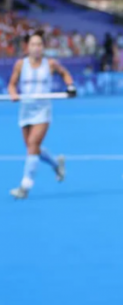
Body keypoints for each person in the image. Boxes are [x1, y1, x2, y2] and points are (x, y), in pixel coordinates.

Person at [8, 30, 76, 199]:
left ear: (43, 47)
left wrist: (70, 86)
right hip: (25, 110)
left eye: (39, 44)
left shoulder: (50, 63)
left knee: (33, 144)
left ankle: (25, 186)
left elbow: (65, 74)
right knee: (32, 147)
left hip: (42, 111)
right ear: (27, 47)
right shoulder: (20, 64)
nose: (36, 48)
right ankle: (56, 164)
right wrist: (13, 94)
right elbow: (12, 84)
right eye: (33, 44)